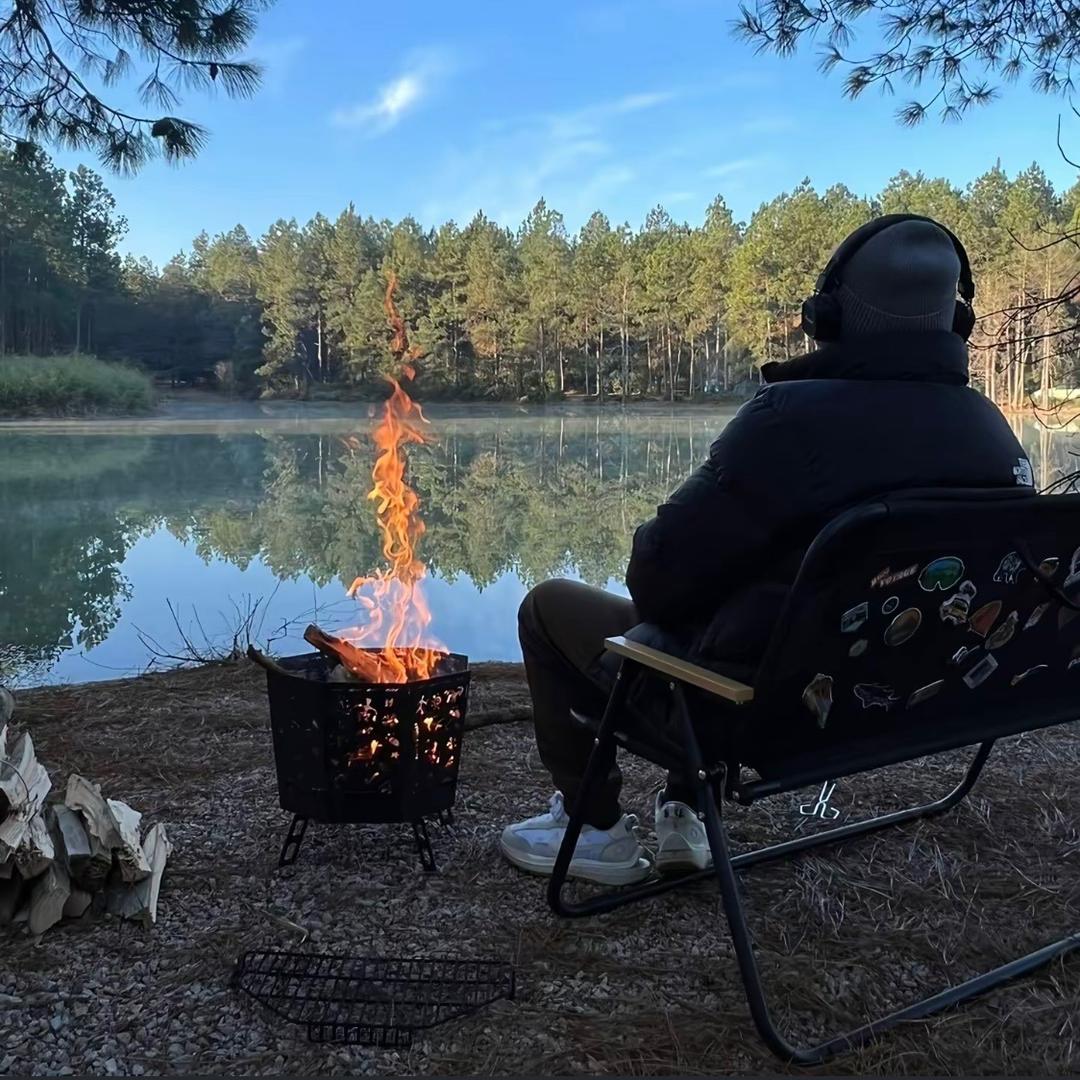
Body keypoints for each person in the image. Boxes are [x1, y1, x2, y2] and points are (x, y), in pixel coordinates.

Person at [500, 214, 1036, 885]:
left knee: (550, 606)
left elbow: (656, 581)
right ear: (955, 323)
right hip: (926, 698)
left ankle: (597, 830)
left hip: (764, 712)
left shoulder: (788, 423)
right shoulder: (994, 433)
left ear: (828, 316)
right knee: (746, 597)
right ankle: (686, 811)